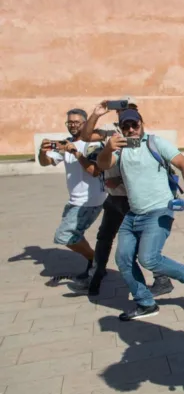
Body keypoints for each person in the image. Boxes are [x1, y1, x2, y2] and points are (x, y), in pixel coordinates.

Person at [96, 109, 184, 321]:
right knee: (123, 258)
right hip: (133, 213)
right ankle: (146, 303)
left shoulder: (155, 143)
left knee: (148, 258)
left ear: (141, 123)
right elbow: (102, 165)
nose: (131, 130)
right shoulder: (120, 148)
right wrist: (108, 148)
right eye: (126, 126)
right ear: (121, 128)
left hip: (159, 210)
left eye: (134, 125)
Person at [71, 98, 173, 297]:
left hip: (132, 198)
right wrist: (96, 115)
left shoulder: (137, 132)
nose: (126, 112)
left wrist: (118, 179)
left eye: (131, 108)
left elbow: (142, 166)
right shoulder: (110, 131)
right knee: (104, 238)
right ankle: (95, 277)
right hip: (113, 197)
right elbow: (85, 136)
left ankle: (162, 279)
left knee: (142, 241)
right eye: (122, 108)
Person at [39, 108, 107, 280]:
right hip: (75, 201)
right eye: (70, 122)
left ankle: (97, 262)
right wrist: (42, 151)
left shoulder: (93, 144)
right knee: (74, 235)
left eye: (77, 122)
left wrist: (75, 153)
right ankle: (95, 264)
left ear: (85, 123)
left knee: (65, 235)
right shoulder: (66, 143)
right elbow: (46, 162)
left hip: (89, 201)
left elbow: (95, 171)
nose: (73, 125)